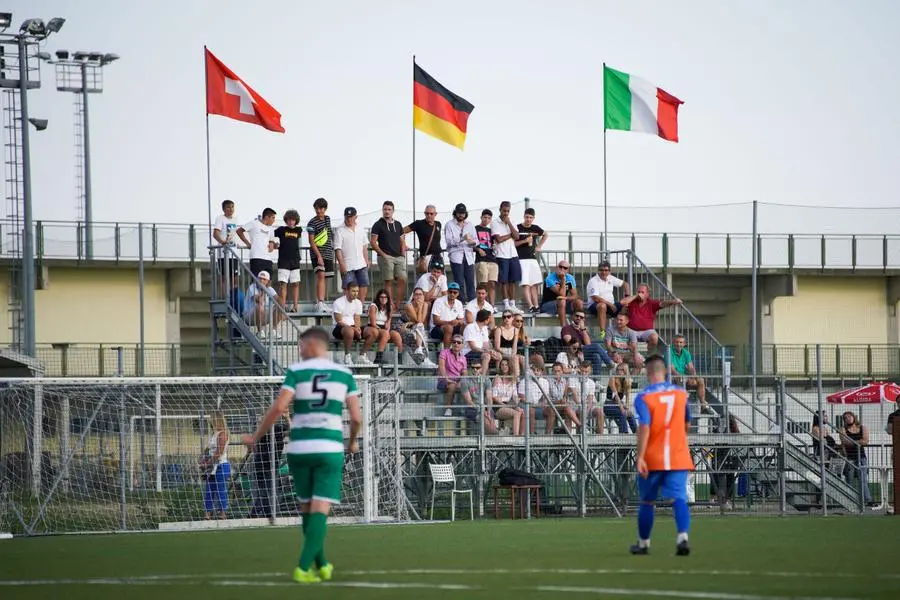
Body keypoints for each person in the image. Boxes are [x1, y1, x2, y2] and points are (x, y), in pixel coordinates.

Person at [242, 327, 361, 584]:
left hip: (299, 448)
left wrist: (255, 436)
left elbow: (279, 407)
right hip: (329, 448)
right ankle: (303, 566)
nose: (299, 349)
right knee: (320, 508)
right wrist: (352, 443)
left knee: (307, 507)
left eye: (300, 345)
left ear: (311, 344)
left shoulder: (296, 372)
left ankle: (323, 564)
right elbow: (356, 417)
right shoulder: (344, 374)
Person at [629, 355, 694, 556]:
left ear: (648, 373)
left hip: (653, 457)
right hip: (677, 455)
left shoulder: (643, 397)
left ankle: (643, 543)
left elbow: (645, 427)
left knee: (648, 501)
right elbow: (687, 424)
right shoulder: (681, 394)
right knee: (678, 498)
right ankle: (682, 537)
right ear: (665, 371)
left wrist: (640, 456)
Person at [619, 283, 683, 356]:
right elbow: (622, 302)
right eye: (638, 292)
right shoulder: (632, 301)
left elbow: (662, 303)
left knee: (654, 337)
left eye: (642, 292)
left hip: (647, 331)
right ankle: (633, 357)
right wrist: (636, 296)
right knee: (628, 339)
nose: (640, 294)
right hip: (632, 330)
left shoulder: (651, 303)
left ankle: (647, 356)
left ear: (647, 294)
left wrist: (673, 301)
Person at [248, 410, 290, 520]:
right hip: (262, 464)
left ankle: (264, 514)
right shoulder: (262, 431)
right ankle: (258, 514)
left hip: (272, 464)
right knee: (265, 490)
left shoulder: (278, 429)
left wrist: (287, 417)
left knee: (265, 490)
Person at [370, 200, 408, 303]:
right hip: (386, 257)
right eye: (385, 209)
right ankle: (389, 304)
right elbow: (373, 242)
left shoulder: (398, 224)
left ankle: (398, 304)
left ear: (393, 211)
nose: (387, 211)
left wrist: (403, 255)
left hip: (399, 257)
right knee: (388, 281)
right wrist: (383, 255)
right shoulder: (378, 224)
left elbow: (402, 241)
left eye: (389, 209)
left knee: (402, 280)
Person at [332, 282, 376, 365]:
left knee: (373, 331)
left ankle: (362, 356)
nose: (356, 293)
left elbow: (357, 319)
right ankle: (347, 356)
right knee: (349, 331)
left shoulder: (358, 302)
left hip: (353, 327)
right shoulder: (338, 302)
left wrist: (358, 329)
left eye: (357, 291)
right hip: (340, 328)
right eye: (353, 291)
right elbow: (339, 322)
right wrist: (353, 329)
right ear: (347, 291)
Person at [334, 206, 370, 302]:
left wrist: (367, 260)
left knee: (364, 284)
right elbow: (338, 249)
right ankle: (349, 306)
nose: (348, 219)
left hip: (361, 263)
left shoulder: (361, 228)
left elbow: (364, 246)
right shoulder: (339, 230)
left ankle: (360, 305)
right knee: (347, 287)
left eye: (350, 217)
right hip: (347, 265)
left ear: (355, 217)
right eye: (347, 217)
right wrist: (341, 265)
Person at [491, 200, 521, 311]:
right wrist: (510, 235)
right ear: (500, 210)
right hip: (501, 255)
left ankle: (512, 304)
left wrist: (509, 223)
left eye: (508, 211)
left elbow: (517, 236)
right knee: (504, 281)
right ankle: (506, 304)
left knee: (513, 280)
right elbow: (498, 239)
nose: (506, 213)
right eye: (504, 211)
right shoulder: (495, 222)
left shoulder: (511, 221)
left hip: (513, 254)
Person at [444, 203, 478, 303]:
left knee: (470, 280)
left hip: (468, 255)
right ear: (455, 213)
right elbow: (449, 241)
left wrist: (472, 242)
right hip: (456, 255)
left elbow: (476, 240)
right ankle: (461, 302)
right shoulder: (449, 224)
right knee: (459, 280)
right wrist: (462, 238)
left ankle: (472, 302)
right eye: (459, 213)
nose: (461, 215)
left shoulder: (470, 224)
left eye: (463, 213)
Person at [515, 207, 547, 313]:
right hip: (522, 259)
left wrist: (539, 246)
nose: (528, 219)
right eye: (527, 217)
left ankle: (536, 305)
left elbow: (545, 234)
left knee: (535, 283)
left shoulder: (535, 228)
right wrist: (525, 241)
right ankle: (530, 306)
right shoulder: (518, 228)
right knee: (526, 283)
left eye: (530, 217)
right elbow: (514, 243)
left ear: (533, 218)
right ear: (524, 216)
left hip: (532, 258)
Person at [201, 411, 231, 520]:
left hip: (221, 466)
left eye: (211, 418)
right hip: (211, 467)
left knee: (220, 490)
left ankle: (222, 514)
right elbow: (208, 450)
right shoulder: (214, 434)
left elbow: (219, 453)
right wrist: (202, 459)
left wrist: (207, 463)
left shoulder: (223, 434)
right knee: (209, 490)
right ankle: (208, 514)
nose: (209, 421)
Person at [585, 261, 629, 336]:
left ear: (609, 271)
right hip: (595, 306)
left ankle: (622, 332)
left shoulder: (610, 278)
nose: (604, 272)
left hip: (610, 305)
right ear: (598, 270)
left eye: (606, 270)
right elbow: (595, 298)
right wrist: (611, 305)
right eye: (601, 270)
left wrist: (627, 296)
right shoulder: (593, 281)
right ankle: (603, 332)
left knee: (627, 305)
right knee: (602, 305)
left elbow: (625, 284)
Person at [307, 197, 335, 314]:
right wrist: (318, 256)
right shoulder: (311, 222)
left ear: (325, 209)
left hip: (328, 252)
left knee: (325, 278)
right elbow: (311, 241)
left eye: (321, 208)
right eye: (317, 208)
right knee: (320, 275)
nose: (319, 211)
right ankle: (319, 303)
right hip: (317, 253)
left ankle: (322, 303)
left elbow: (330, 234)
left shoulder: (328, 219)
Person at [838, 411, 872, 505]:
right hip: (849, 457)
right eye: (845, 417)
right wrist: (858, 442)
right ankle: (850, 499)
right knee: (849, 479)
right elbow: (844, 440)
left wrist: (852, 442)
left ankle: (867, 500)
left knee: (863, 479)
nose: (848, 418)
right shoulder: (843, 429)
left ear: (854, 417)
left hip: (861, 457)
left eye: (849, 416)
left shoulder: (862, 428)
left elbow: (865, 441)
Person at [438, 334, 474, 416]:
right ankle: (448, 409)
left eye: (458, 342)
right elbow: (441, 367)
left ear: (462, 345)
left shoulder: (463, 358)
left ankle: (471, 409)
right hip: (443, 380)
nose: (456, 344)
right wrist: (446, 379)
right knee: (452, 386)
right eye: (454, 342)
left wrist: (462, 381)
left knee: (469, 384)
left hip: (457, 381)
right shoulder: (444, 352)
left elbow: (464, 372)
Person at [364, 288, 403, 364]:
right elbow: (373, 323)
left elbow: (388, 322)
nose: (383, 299)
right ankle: (378, 359)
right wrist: (385, 332)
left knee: (397, 335)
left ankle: (399, 360)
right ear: (378, 298)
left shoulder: (389, 308)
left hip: (384, 328)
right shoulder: (373, 306)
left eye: (385, 297)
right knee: (385, 334)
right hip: (373, 327)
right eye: (381, 297)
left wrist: (387, 331)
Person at [274, 209, 303, 313]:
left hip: (295, 260)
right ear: (286, 220)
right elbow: (270, 234)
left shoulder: (299, 230)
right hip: (283, 260)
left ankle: (295, 306)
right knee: (283, 284)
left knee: (295, 284)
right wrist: (274, 243)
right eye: (289, 220)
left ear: (296, 221)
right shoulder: (281, 229)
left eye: (293, 220)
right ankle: (282, 306)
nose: (291, 222)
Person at [237, 208, 278, 277]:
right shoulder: (254, 223)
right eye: (273, 218)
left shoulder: (271, 229)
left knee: (268, 282)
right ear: (266, 217)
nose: (274, 220)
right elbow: (239, 231)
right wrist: (247, 243)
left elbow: (271, 244)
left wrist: (274, 245)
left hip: (268, 258)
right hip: (256, 257)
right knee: (256, 281)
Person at [540, 260, 584, 327]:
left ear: (568, 270)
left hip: (562, 305)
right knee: (562, 301)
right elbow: (562, 294)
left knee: (579, 302)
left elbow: (575, 296)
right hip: (547, 305)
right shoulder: (549, 278)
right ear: (557, 267)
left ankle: (578, 327)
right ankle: (564, 329)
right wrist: (563, 279)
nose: (562, 269)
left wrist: (566, 298)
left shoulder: (570, 278)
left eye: (565, 268)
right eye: (560, 267)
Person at [404, 205, 443, 275]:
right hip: (426, 257)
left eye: (431, 213)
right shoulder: (419, 223)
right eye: (427, 213)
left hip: (438, 256)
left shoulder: (438, 224)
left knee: (440, 281)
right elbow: (401, 231)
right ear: (424, 213)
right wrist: (403, 244)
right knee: (428, 280)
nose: (429, 215)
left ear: (435, 214)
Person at [403, 287, 436, 367]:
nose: (418, 296)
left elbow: (421, 321)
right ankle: (424, 360)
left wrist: (421, 307)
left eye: (420, 294)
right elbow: (418, 320)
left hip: (416, 328)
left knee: (420, 330)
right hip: (405, 327)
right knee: (419, 329)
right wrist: (420, 307)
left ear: (423, 296)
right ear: (413, 296)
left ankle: (422, 354)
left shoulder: (425, 304)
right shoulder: (408, 306)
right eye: (416, 294)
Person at [491, 357, 524, 435]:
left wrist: (518, 404)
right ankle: (516, 437)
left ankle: (522, 436)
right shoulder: (497, 378)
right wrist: (505, 405)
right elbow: (494, 397)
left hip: (508, 404)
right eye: (502, 365)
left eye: (506, 365)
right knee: (516, 413)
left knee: (522, 412)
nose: (504, 366)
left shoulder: (512, 379)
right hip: (498, 405)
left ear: (509, 366)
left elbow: (515, 396)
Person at [602, 363, 638, 434]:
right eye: (618, 369)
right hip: (609, 405)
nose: (619, 371)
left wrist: (627, 406)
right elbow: (616, 396)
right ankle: (624, 433)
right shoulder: (612, 379)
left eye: (621, 370)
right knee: (623, 413)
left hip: (618, 405)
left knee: (629, 413)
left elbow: (628, 395)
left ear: (625, 371)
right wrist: (622, 408)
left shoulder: (627, 381)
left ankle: (636, 432)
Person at [430, 282, 466, 348]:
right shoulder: (439, 301)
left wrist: (457, 321)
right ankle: (446, 354)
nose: (452, 294)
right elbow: (435, 321)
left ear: (458, 294)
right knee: (449, 327)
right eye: (450, 292)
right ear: (447, 291)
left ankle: (463, 352)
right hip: (437, 328)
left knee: (465, 326)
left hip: (452, 327)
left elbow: (461, 319)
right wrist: (450, 322)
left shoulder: (459, 303)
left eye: (455, 292)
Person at [474, 209, 499, 305]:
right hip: (481, 260)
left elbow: (494, 244)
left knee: (492, 283)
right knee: (483, 283)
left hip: (492, 259)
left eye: (489, 218)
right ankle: (483, 304)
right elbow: (470, 244)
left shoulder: (491, 231)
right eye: (485, 217)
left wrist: (495, 247)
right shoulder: (475, 229)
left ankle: (492, 305)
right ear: (481, 217)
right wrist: (478, 249)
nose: (486, 219)